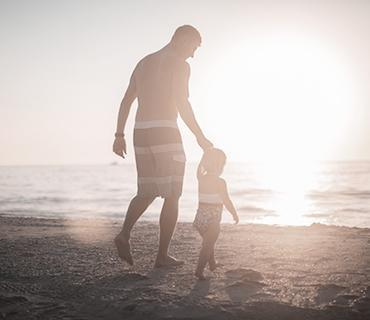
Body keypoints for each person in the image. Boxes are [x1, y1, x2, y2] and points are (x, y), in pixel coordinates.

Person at [113, 25, 213, 268]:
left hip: (140, 132)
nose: (192, 55)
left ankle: (124, 233)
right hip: (165, 131)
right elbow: (182, 102)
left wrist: (119, 134)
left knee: (147, 191)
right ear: (182, 39)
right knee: (173, 194)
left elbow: (127, 100)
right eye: (193, 47)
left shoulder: (144, 62)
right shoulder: (179, 64)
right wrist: (200, 136)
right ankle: (161, 257)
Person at [193, 148, 239, 280]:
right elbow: (226, 200)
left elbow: (199, 167)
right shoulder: (220, 182)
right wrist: (234, 213)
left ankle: (212, 263)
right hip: (213, 219)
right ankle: (199, 270)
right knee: (208, 245)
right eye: (223, 165)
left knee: (208, 242)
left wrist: (204, 154)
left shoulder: (201, 178)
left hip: (200, 218)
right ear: (219, 166)